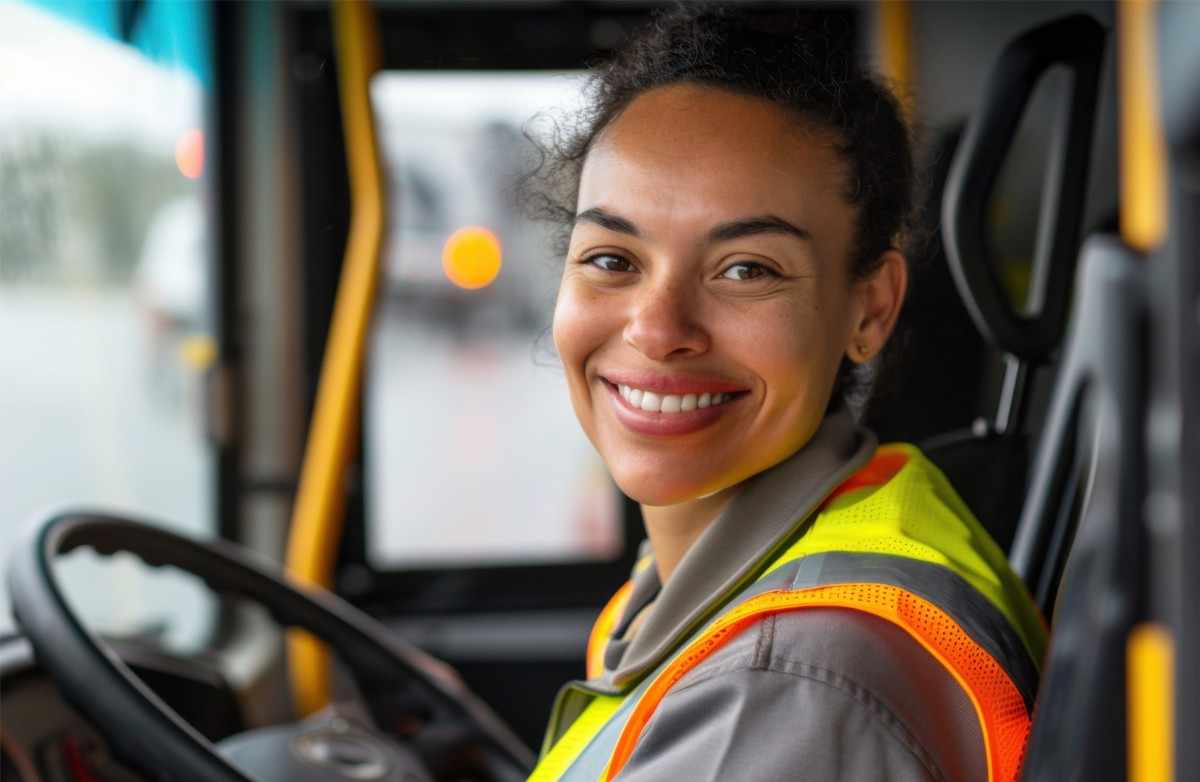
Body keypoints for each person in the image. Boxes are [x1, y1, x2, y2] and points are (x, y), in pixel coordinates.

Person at [526, 6, 1046, 781]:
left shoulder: (785, 688)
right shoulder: (848, 517)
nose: (657, 328)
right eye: (611, 258)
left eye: (746, 269)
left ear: (868, 310)